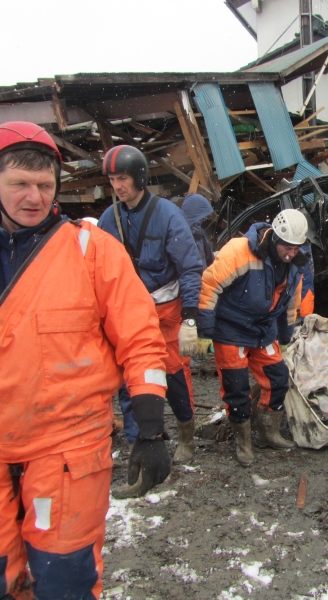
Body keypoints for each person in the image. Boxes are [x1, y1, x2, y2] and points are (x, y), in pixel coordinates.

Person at [0, 122, 170, 598]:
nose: (34, 197)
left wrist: (150, 427)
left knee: (66, 576)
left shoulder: (92, 252)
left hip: (66, 445)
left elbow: (140, 337)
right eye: (19, 184)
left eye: (45, 186)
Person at [98, 145, 204, 464]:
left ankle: (186, 435)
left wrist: (189, 318)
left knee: (174, 378)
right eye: (113, 179)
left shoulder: (167, 214)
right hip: (128, 313)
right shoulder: (108, 219)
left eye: (124, 178)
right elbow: (98, 270)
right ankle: (140, 439)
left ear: (140, 178)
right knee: (130, 379)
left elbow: (189, 266)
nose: (118, 186)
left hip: (166, 313)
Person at [196, 209, 308, 466]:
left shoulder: (294, 267)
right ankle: (243, 443)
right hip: (231, 330)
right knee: (237, 389)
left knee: (278, 379)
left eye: (296, 248)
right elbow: (210, 285)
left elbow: (290, 305)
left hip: (263, 330)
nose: (290, 254)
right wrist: (204, 331)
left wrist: (286, 337)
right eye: (287, 248)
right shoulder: (239, 251)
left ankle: (268, 432)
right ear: (275, 239)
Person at [181, 193, 215, 270]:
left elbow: (209, 259)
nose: (205, 219)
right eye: (203, 216)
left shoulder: (200, 234)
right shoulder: (184, 239)